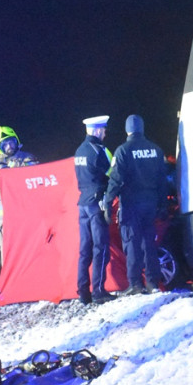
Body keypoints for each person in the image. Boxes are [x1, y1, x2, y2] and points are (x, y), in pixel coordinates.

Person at [101, 114, 169, 295]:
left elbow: (115, 180)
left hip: (131, 205)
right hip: (151, 204)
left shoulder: (123, 151)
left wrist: (108, 202)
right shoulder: (156, 150)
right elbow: (162, 181)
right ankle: (153, 283)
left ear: (127, 130)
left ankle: (136, 284)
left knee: (132, 244)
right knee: (149, 243)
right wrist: (163, 205)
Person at [74, 115, 115, 305]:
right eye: (104, 130)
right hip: (97, 203)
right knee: (101, 248)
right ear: (98, 130)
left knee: (85, 250)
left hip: (82, 204)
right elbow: (113, 175)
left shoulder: (79, 151)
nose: (105, 133)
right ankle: (98, 290)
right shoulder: (101, 151)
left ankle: (83, 292)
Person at [0, 126, 39, 246]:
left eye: (11, 141)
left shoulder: (28, 158)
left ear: (16, 141)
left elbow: (39, 179)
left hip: (28, 217)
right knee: (9, 257)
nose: (9, 146)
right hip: (5, 221)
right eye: (4, 144)